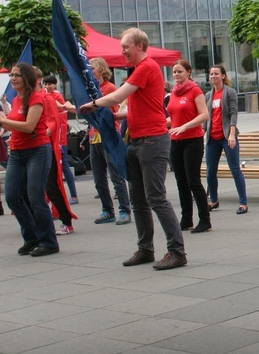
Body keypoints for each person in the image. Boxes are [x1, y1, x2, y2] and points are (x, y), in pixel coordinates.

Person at [79, 27, 187, 270]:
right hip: (138, 141)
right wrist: (111, 117)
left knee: (155, 197)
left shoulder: (147, 67)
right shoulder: (140, 70)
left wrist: (95, 104)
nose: (122, 51)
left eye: (125, 47)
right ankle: (146, 249)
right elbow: (135, 107)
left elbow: (118, 96)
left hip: (152, 140)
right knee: (138, 199)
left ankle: (177, 252)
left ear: (139, 46)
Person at [0, 63, 59, 256]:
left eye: (17, 75)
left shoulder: (37, 97)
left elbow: (29, 126)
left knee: (35, 197)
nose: (13, 78)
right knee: (12, 197)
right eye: (11, 75)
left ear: (27, 78)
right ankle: (32, 238)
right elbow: (13, 123)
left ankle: (49, 242)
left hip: (37, 151)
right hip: (17, 152)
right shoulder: (16, 99)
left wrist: (2, 120)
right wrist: (5, 123)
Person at [167, 59, 211, 233]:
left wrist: (185, 126)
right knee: (181, 182)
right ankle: (186, 219)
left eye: (180, 71)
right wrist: (164, 123)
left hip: (193, 140)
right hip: (176, 140)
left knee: (193, 181)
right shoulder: (173, 92)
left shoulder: (195, 90)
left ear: (188, 72)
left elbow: (204, 115)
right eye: (174, 72)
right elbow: (175, 116)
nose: (177, 75)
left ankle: (205, 219)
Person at [87, 57, 132, 226]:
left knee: (116, 175)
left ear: (101, 69)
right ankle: (107, 209)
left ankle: (124, 209)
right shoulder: (91, 89)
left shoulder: (109, 88)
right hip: (94, 137)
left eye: (93, 68)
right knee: (99, 178)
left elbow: (114, 110)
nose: (90, 70)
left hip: (108, 135)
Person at [204, 65, 248, 215]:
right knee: (210, 171)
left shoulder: (230, 92)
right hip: (212, 137)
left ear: (223, 76)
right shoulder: (208, 95)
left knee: (235, 169)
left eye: (216, 74)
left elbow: (233, 113)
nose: (213, 76)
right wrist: (204, 132)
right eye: (211, 74)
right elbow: (206, 117)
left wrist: (232, 134)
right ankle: (214, 200)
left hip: (226, 137)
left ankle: (243, 203)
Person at [42, 75, 78, 205]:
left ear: (55, 84)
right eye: (45, 84)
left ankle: (73, 195)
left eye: (50, 84)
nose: (47, 86)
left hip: (59, 138)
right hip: (53, 136)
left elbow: (59, 106)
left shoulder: (56, 96)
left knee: (64, 167)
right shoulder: (47, 95)